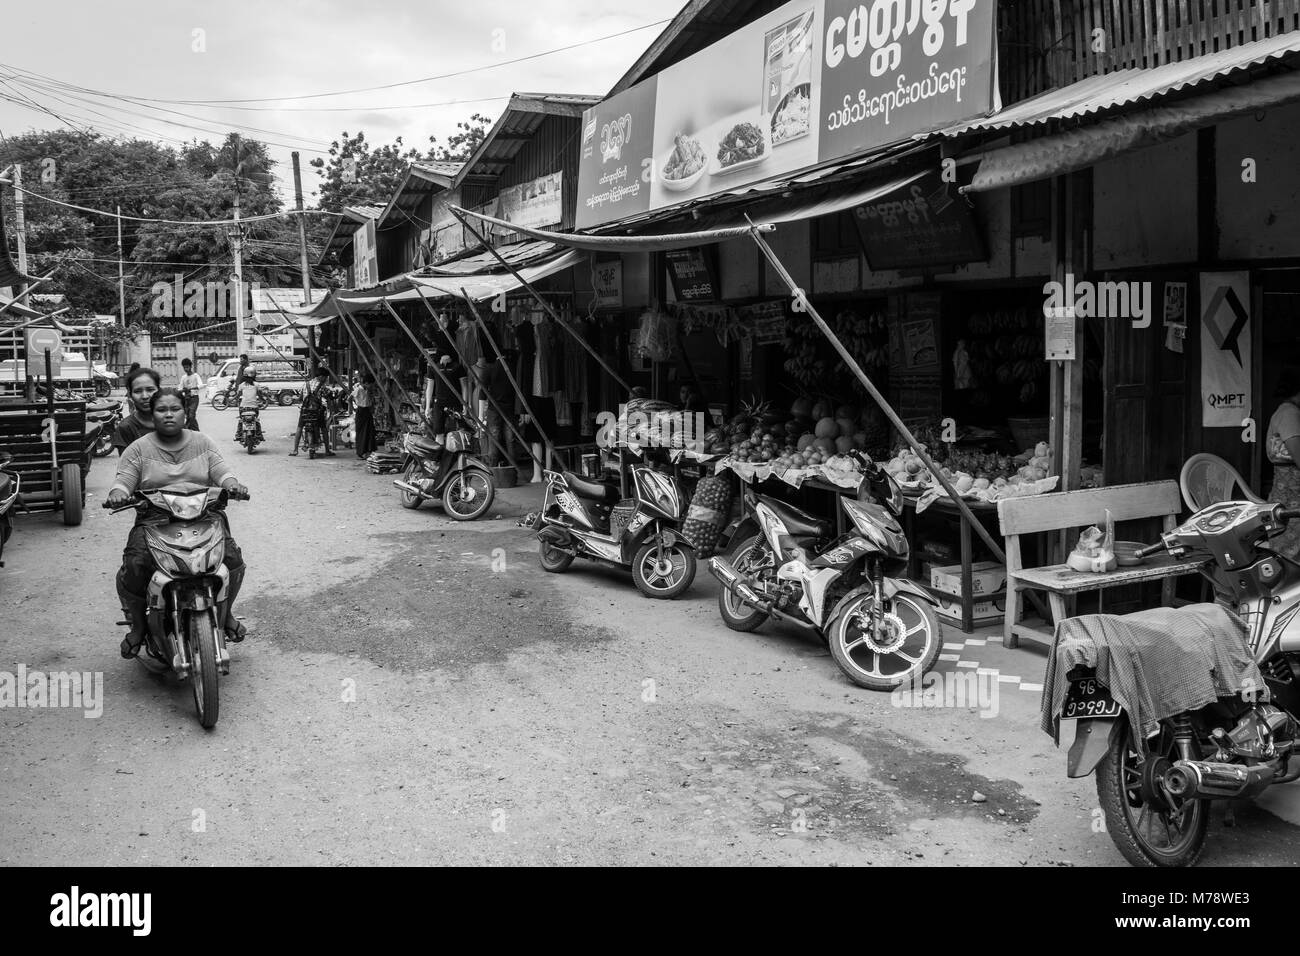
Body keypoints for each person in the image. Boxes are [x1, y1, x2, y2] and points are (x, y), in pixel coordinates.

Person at [105, 388, 249, 659]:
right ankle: (137, 627)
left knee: (232, 560)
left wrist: (233, 485)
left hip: (203, 516)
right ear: (152, 413)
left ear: (186, 412)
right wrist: (118, 493)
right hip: (155, 520)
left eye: (175, 409)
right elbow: (124, 478)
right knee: (135, 566)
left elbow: (222, 471)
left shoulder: (202, 443)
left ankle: (226, 613)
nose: (168, 415)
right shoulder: (140, 448)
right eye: (162, 410)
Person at [1266, 373, 1300, 559]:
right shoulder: (1289, 414)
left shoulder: (1288, 411)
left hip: (1288, 496)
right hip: (1292, 499)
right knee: (1290, 557)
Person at [471, 352, 516, 467]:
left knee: (494, 440)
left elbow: (482, 393)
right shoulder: (512, 367)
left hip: (494, 409)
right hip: (509, 408)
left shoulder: (489, 369)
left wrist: (481, 416)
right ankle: (512, 469)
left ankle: (493, 469)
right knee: (510, 439)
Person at [112, 367, 160, 453]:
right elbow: (127, 464)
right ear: (130, 395)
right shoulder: (126, 428)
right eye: (138, 391)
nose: (145, 396)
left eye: (150, 390)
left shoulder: (171, 421)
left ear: (159, 391)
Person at [291, 368, 336, 456]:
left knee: (299, 428)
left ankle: (295, 450)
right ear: (321, 377)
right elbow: (329, 397)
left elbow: (300, 398)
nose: (326, 379)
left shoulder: (306, 384)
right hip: (317, 412)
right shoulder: (322, 386)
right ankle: (327, 450)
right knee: (324, 429)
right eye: (325, 377)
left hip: (305, 411)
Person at [429, 354, 462, 437]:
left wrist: (465, 403)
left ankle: (454, 449)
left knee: (456, 432)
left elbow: (464, 386)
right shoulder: (434, 367)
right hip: (439, 402)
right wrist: (427, 407)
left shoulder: (457, 367)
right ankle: (439, 449)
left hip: (455, 402)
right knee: (438, 431)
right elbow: (429, 387)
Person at [352, 372, 377, 459]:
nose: (372, 386)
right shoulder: (358, 389)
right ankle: (361, 452)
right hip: (361, 411)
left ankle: (368, 451)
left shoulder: (367, 390)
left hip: (367, 411)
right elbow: (349, 398)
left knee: (369, 431)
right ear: (366, 383)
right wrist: (352, 408)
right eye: (371, 385)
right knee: (362, 432)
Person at [178, 358, 205, 431]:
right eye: (184, 367)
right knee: (189, 416)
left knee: (191, 415)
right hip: (186, 399)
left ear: (190, 367)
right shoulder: (183, 377)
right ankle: (195, 431)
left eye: (187, 367)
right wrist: (182, 390)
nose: (186, 369)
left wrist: (193, 388)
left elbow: (201, 385)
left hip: (194, 398)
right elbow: (180, 388)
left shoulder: (196, 376)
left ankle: (187, 429)